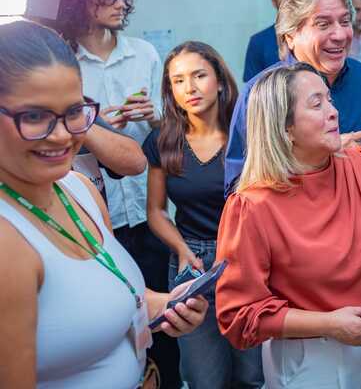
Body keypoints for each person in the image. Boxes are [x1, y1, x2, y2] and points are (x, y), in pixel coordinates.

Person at [0, 20, 208, 389]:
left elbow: (109, 286)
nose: (63, 134)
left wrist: (162, 304)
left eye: (74, 112)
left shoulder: (78, 188)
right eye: (34, 116)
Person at [216, 63, 361, 388]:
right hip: (308, 360)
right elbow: (239, 315)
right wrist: (329, 324)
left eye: (330, 100)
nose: (333, 112)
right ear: (285, 128)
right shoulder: (252, 206)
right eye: (316, 104)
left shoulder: (359, 163)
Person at [48, 0, 181, 388]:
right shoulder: (61, 61)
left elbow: (172, 128)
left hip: (148, 208)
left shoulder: (143, 53)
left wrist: (148, 119)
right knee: (111, 315)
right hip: (93, 213)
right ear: (80, 0)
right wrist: (101, 127)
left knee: (163, 316)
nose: (122, 3)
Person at [142, 41, 262, 388]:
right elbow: (156, 211)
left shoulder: (248, 137)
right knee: (202, 378)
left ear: (220, 81)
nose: (190, 88)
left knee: (251, 375)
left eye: (199, 76)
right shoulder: (163, 140)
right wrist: (182, 249)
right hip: (191, 263)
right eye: (178, 81)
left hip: (246, 258)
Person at [225, 0, 361, 195]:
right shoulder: (261, 93)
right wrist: (318, 160)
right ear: (290, 36)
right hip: (298, 226)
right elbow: (239, 187)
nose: (340, 35)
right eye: (323, 24)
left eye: (345, 21)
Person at [243, 0, 295, 82]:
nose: (289, 3)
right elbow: (252, 90)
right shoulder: (258, 42)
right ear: (274, 2)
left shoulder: (316, 37)